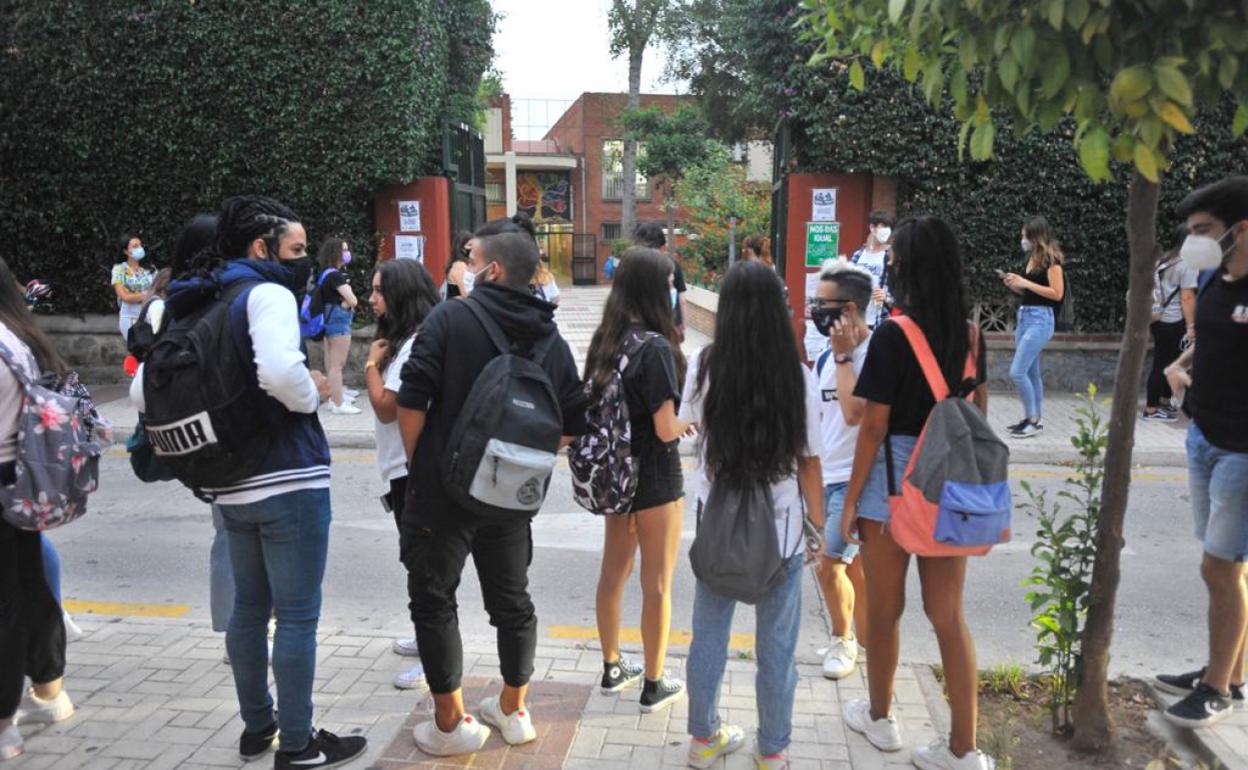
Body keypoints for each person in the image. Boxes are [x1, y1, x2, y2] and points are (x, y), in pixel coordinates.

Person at [130, 196, 364, 769]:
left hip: (229, 483)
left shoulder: (191, 301)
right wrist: (313, 392)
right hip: (288, 475)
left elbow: (142, 394)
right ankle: (300, 743)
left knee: (249, 611)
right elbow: (282, 374)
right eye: (297, 249)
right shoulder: (267, 294)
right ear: (261, 248)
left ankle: (257, 728)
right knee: (299, 615)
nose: (304, 260)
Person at [397, 225, 585, 756]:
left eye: (470, 257)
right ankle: (513, 708)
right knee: (512, 602)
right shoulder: (548, 336)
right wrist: (520, 461)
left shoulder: (451, 317)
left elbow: (411, 401)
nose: (463, 264)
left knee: (434, 600)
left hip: (442, 493)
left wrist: (424, 464)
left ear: (493, 270)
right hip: (509, 498)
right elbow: (570, 421)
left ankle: (451, 724)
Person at [840, 216, 993, 770]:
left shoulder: (893, 334)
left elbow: (873, 427)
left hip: (893, 485)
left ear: (904, 267)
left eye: (894, 259)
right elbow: (978, 419)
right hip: (950, 484)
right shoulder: (972, 335)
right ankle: (964, 749)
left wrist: (852, 502)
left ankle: (881, 720)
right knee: (948, 615)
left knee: (884, 610)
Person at [678, 259, 824, 770]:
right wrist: (821, 531)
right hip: (780, 532)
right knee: (777, 648)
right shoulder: (797, 377)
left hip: (716, 524)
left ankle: (703, 741)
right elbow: (809, 464)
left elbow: (686, 424)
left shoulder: (704, 365)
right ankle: (773, 751)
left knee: (710, 636)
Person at [1155, 176, 1248, 729]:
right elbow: (1207, 343)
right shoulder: (1215, 279)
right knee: (1229, 566)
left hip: (1243, 451)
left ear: (1239, 230)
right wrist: (1180, 368)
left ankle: (1215, 688)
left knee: (1220, 566)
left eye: (1204, 232)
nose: (1194, 243)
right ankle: (1230, 672)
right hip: (1203, 440)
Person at [584, 247, 687, 712]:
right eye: (668, 283)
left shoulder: (607, 341)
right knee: (658, 584)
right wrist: (691, 423)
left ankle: (611, 668)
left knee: (613, 573)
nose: (673, 291)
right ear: (652, 288)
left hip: (614, 477)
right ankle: (653, 681)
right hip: (657, 478)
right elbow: (666, 429)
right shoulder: (657, 348)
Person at [0, 256, 78, 763]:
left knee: (7, 606)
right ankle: (46, 687)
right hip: (17, 483)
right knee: (22, 591)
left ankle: (6, 722)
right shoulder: (18, 336)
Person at [364, 258, 440, 690]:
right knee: (418, 562)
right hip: (403, 467)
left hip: (413, 469)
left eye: (379, 291)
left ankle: (435, 660)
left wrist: (371, 366)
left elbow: (387, 405)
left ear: (401, 295)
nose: (373, 299)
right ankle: (425, 636)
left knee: (424, 566)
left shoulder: (413, 344)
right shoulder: (404, 338)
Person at [810, 259, 874, 680]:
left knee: (828, 564)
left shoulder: (874, 354)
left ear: (849, 309)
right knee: (851, 568)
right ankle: (869, 639)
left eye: (823, 303)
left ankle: (843, 640)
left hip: (859, 482)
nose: (815, 310)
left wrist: (845, 357)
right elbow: (821, 423)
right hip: (828, 477)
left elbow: (854, 414)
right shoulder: (821, 360)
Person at [1001, 216, 1065, 439]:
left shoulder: (1052, 261)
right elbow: (1032, 292)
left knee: (1017, 372)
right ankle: (1035, 418)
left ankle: (1032, 419)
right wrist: (1016, 285)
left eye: (1024, 235)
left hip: (1041, 320)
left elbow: (1057, 294)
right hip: (1025, 317)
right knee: (1031, 372)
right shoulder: (1031, 259)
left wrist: (1026, 282)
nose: (1022, 239)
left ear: (1035, 236)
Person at [1144, 226, 1197, 421]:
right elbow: (1187, 298)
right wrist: (1191, 327)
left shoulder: (1164, 259)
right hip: (1173, 320)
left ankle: (1163, 402)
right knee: (1163, 364)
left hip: (1157, 318)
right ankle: (1151, 409)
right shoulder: (1187, 263)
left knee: (1167, 361)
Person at [317, 238, 360, 415]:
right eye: (343, 250)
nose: (347, 253)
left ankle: (335, 396)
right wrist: (346, 305)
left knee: (331, 362)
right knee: (337, 364)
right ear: (335, 253)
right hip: (339, 320)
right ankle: (338, 403)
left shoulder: (325, 273)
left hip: (328, 318)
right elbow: (353, 300)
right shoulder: (336, 275)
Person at [634, 222, 688, 341]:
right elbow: (682, 299)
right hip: (670, 322)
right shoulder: (672, 263)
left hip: (643, 323)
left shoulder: (636, 264)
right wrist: (683, 323)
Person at [850, 210, 895, 329]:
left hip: (881, 319)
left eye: (889, 227)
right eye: (883, 226)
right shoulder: (858, 255)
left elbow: (903, 290)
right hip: (857, 321)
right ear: (872, 228)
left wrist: (887, 297)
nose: (887, 230)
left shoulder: (892, 256)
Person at [111, 234, 155, 339]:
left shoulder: (150, 269)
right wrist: (148, 295)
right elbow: (124, 296)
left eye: (140, 245)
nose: (140, 248)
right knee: (136, 351)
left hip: (151, 316)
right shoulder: (119, 270)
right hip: (130, 317)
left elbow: (160, 290)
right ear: (126, 251)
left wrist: (134, 295)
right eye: (135, 246)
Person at [443, 231, 472, 300]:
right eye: (469, 245)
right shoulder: (460, 265)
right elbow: (465, 293)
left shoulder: (461, 264)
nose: (472, 248)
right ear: (461, 247)